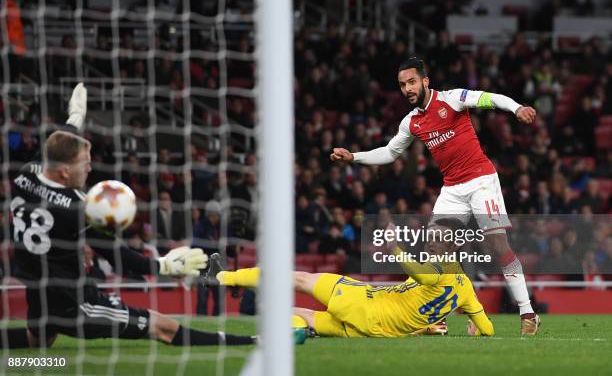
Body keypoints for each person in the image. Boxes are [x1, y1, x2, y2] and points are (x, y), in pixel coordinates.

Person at [3, 84, 256, 349]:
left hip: (38, 289)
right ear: (65, 171)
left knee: (36, 341)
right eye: (85, 163)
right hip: (73, 302)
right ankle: (251, 341)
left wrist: (75, 116)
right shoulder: (79, 209)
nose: (90, 167)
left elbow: (58, 142)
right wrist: (165, 266)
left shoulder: (26, 173)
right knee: (163, 327)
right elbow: (121, 258)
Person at [329, 58, 540, 335]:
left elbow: (489, 98)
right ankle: (459, 311)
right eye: (403, 85)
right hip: (452, 189)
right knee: (436, 252)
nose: (407, 88)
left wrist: (517, 108)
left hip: (481, 180)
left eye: (412, 82)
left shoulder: (453, 99)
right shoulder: (412, 122)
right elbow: (391, 152)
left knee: (497, 245)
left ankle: (527, 312)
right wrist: (354, 157)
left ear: (425, 81)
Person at [204, 218, 494, 338]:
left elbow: (423, 276)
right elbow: (489, 329)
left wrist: (394, 246)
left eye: (437, 240)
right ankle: (289, 335)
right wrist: (477, 329)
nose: (431, 244)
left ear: (453, 247)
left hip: (364, 301)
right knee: (295, 314)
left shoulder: (437, 270)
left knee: (299, 279)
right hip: (373, 331)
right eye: (430, 238)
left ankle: (226, 278)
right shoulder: (466, 289)